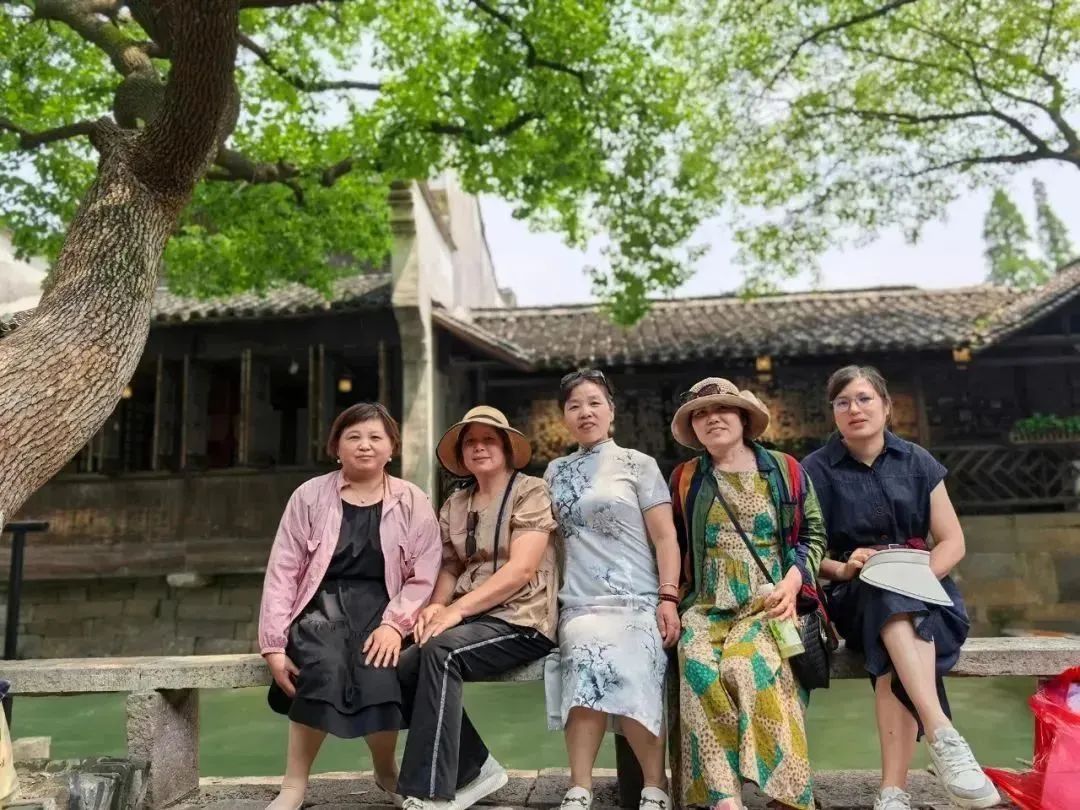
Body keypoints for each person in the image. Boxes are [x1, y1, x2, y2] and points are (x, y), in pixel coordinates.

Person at [802, 365, 1000, 810]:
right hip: (856, 594)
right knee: (886, 596)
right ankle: (944, 735)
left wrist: (917, 578)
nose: (854, 409)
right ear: (833, 413)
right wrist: (843, 567)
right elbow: (802, 551)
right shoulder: (814, 470)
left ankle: (893, 793)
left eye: (864, 398)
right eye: (842, 402)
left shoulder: (917, 461)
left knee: (894, 625)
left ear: (887, 406)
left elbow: (952, 541)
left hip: (927, 588)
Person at [258, 402, 442, 810]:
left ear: (391, 448)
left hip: (386, 608)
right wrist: (273, 645)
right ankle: (294, 784)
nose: (365, 445)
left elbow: (424, 574)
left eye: (376, 437)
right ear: (336, 447)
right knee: (322, 666)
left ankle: (386, 770)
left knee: (379, 670)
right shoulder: (309, 496)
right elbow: (283, 571)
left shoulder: (412, 500)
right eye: (353, 437)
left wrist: (396, 625)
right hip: (320, 606)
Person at [667, 377, 826, 810]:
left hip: (769, 599)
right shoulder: (686, 478)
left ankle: (788, 795)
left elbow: (813, 535)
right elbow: (672, 543)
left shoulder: (785, 469)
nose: (712, 418)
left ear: (742, 417)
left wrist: (794, 582)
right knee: (697, 665)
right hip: (707, 602)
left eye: (722, 409)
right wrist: (667, 599)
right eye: (700, 414)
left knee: (746, 664)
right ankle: (723, 799)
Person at [395, 406, 559, 810]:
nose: (479, 448)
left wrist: (455, 612)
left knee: (441, 652)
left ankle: (432, 789)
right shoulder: (456, 503)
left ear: (506, 447)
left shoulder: (531, 491)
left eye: (489, 440)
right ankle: (476, 768)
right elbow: (450, 566)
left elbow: (522, 569)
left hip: (522, 618)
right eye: (471, 442)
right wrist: (436, 606)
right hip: (472, 618)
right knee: (400, 667)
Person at [544, 369, 682, 810]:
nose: (585, 412)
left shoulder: (638, 464)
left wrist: (668, 597)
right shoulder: (554, 472)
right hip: (580, 602)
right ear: (565, 417)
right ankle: (579, 786)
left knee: (636, 661)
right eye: (574, 406)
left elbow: (665, 537)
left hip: (637, 599)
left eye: (594, 403)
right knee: (584, 653)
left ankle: (655, 786)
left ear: (611, 411)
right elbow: (548, 545)